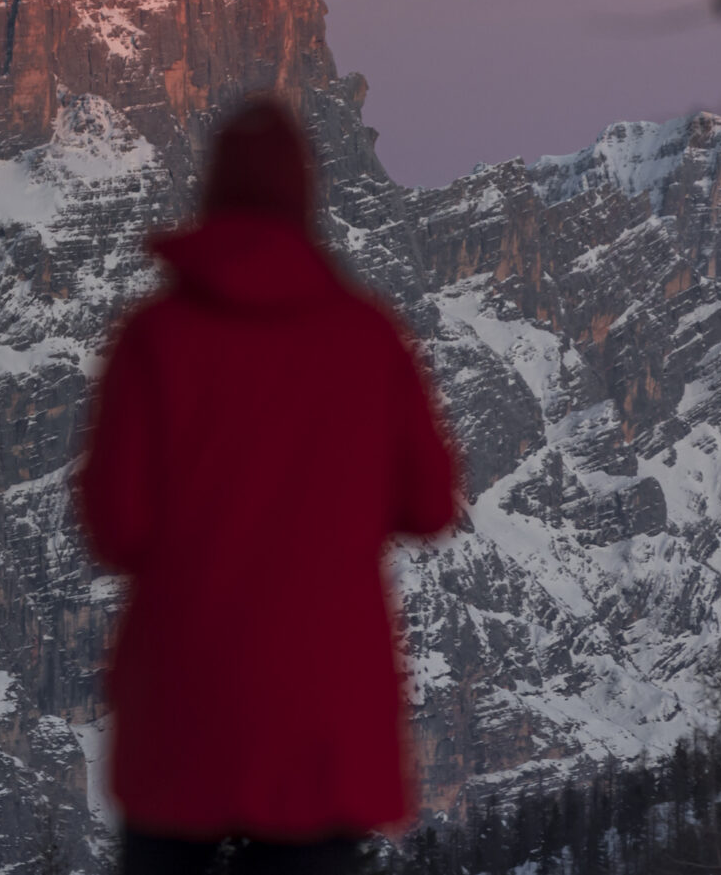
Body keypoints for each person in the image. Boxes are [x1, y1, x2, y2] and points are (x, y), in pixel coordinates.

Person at [76, 98, 461, 875]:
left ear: (212, 190)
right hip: (320, 721)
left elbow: (114, 524)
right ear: (303, 197)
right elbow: (429, 503)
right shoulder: (366, 337)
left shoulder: (154, 337)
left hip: (182, 703)